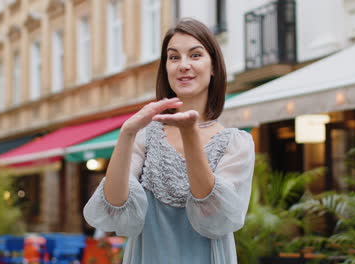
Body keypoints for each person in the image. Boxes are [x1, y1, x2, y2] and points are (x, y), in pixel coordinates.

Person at [83, 18, 255, 264]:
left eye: (195, 55)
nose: (183, 65)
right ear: (165, 67)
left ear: (214, 66)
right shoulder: (145, 136)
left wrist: (189, 134)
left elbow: (215, 218)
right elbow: (115, 205)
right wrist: (127, 133)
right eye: (174, 57)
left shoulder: (237, 143)